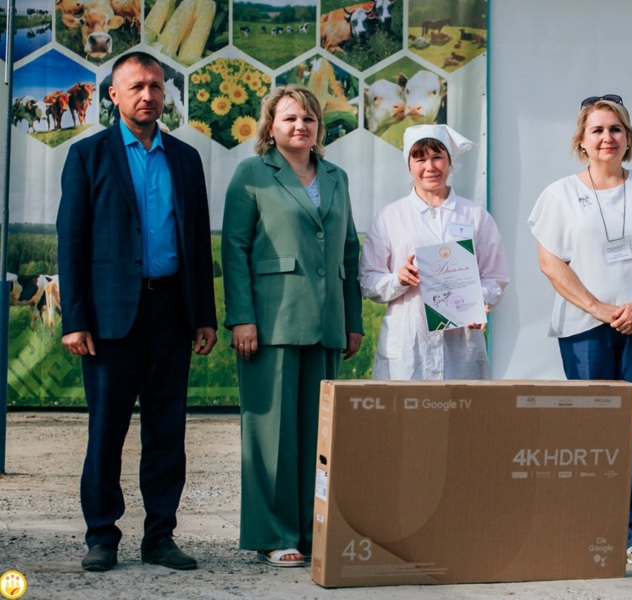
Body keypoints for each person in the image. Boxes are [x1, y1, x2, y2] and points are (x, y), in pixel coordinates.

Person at [56, 51, 218, 572]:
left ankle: (160, 536)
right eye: (136, 87)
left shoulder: (185, 159)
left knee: (167, 430)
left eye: (154, 85)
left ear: (164, 92)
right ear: (113, 95)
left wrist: (204, 315)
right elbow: (71, 242)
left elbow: (197, 242)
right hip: (110, 318)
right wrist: (75, 318)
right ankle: (101, 535)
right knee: (107, 430)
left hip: (171, 311)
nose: (147, 95)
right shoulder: (88, 157)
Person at [528, 95, 632, 567]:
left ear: (627, 138)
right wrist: (597, 307)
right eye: (597, 130)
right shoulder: (558, 194)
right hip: (584, 327)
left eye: (615, 129)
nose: (606, 138)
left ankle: (629, 533)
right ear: (581, 141)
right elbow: (549, 262)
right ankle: (587, 529)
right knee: (589, 433)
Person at [221, 85, 364, 567]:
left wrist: (353, 320)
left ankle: (310, 530)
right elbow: (234, 250)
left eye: (307, 119)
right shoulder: (252, 174)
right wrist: (241, 317)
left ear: (319, 126)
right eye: (289, 119)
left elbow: (348, 251)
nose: (299, 126)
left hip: (326, 323)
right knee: (271, 437)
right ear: (270, 126)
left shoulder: (337, 177)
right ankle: (273, 534)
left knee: (317, 439)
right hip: (271, 321)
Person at [359, 124, 509, 380]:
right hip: (409, 342)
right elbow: (368, 280)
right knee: (407, 416)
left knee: (462, 415)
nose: (430, 167)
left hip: (461, 345)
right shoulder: (389, 217)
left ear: (450, 162)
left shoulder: (475, 216)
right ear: (409, 165)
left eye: (437, 157)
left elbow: (495, 277)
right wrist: (399, 279)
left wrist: (476, 301)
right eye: (420, 159)